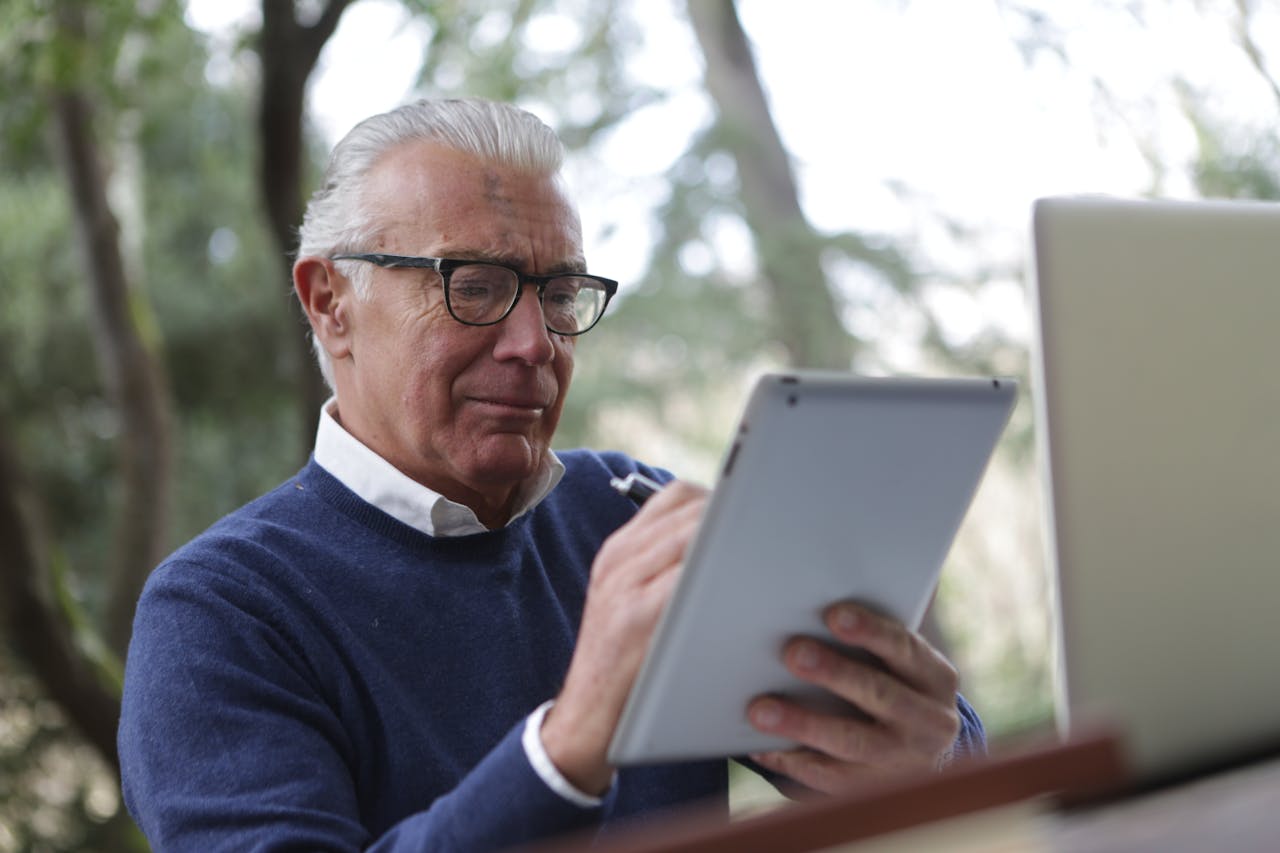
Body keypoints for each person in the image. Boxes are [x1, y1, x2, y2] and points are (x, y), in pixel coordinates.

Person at [118, 97, 984, 851]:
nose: (536, 344)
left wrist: (929, 752)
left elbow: (910, 764)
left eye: (560, 293)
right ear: (330, 303)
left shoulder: (628, 511)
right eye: (479, 285)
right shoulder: (219, 613)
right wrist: (568, 744)